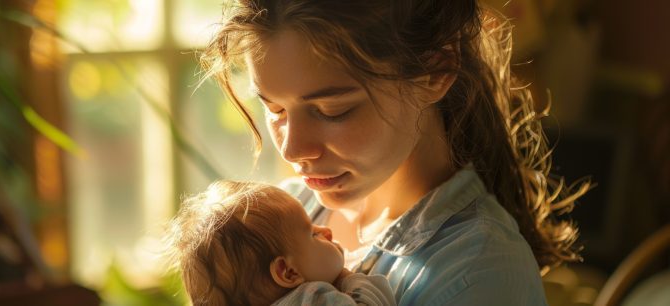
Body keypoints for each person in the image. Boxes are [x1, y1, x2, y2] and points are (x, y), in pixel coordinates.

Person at [199, 0, 591, 305]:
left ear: (436, 68)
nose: (292, 149)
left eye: (333, 110)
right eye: (275, 110)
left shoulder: (477, 273)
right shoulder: (292, 209)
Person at [161, 180, 397, 305]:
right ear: (288, 272)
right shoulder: (313, 299)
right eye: (312, 234)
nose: (325, 230)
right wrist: (348, 277)